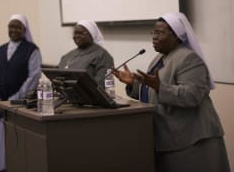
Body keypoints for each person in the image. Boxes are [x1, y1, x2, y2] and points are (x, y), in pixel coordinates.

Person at [113, 12, 230, 172]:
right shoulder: (159, 58)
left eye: (160, 33)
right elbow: (154, 90)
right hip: (169, 137)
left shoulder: (189, 59)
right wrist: (133, 84)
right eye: (154, 32)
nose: (154, 36)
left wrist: (160, 87)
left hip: (191, 141)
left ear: (177, 36)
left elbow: (192, 95)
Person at [0, 14, 42, 172]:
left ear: (24, 30)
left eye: (18, 27)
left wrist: (11, 101)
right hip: (0, 106)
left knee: (20, 147)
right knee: (2, 148)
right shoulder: (0, 50)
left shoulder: (32, 50)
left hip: (21, 107)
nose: (14, 30)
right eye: (11, 26)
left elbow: (33, 77)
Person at [58, 20, 114, 88]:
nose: (77, 36)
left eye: (81, 33)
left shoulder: (103, 56)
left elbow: (100, 87)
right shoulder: (67, 55)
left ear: (92, 35)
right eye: (75, 33)